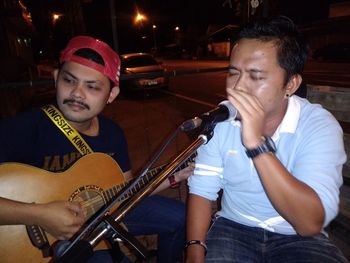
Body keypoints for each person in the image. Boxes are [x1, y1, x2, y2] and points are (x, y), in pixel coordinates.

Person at [0, 35, 193, 263]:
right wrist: (40, 215)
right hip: (40, 238)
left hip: (102, 214)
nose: (77, 93)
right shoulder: (23, 128)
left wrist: (170, 178)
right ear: (55, 79)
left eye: (92, 87)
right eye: (69, 81)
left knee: (181, 217)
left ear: (111, 95)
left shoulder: (113, 133)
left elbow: (124, 194)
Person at [186, 16, 348, 263]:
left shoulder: (318, 126)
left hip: (299, 237)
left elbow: (308, 224)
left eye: (255, 76)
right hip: (233, 228)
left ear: (290, 84)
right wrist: (195, 249)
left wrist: (256, 143)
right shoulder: (221, 120)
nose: (237, 87)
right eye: (233, 73)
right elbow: (202, 189)